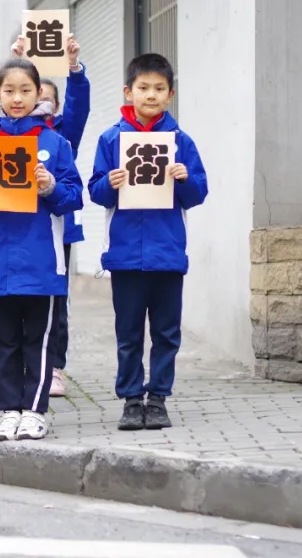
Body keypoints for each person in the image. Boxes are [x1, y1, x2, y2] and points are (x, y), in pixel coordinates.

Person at [0, 58, 84, 442]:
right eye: (9, 91)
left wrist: (50, 189)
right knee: (4, 340)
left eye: (26, 90)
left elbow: (73, 196)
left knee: (38, 340)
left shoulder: (55, 143)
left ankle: (35, 410)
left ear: (38, 95)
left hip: (41, 259)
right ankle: (10, 410)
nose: (17, 98)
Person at [87, 53, 208, 431]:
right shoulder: (111, 139)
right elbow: (95, 190)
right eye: (143, 88)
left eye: (159, 89)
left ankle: (158, 398)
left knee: (166, 333)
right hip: (124, 256)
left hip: (168, 254)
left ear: (170, 94)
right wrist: (111, 182)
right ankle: (130, 398)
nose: (151, 95)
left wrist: (185, 177)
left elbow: (199, 193)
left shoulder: (180, 141)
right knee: (128, 333)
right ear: (129, 92)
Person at [10, 35, 90, 397]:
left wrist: (73, 68)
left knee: (57, 302)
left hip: (57, 230)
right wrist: (22, 60)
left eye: (44, 97)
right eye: (29, 92)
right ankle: (27, 365)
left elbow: (79, 106)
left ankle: (54, 367)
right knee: (20, 301)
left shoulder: (61, 136)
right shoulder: (6, 134)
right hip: (18, 228)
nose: (34, 101)